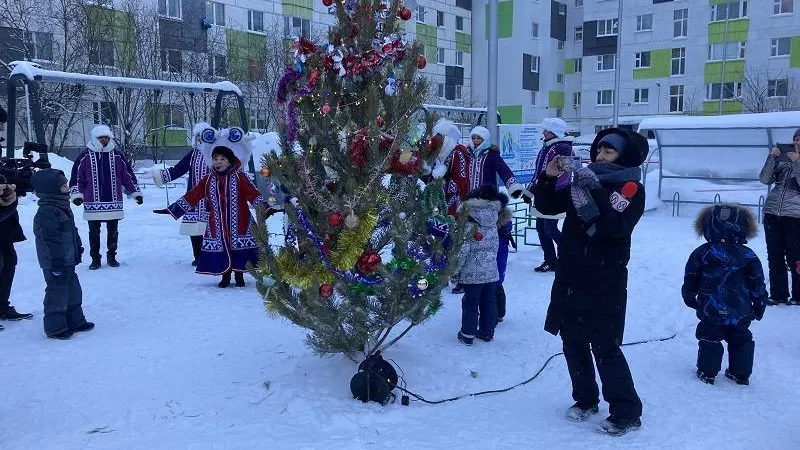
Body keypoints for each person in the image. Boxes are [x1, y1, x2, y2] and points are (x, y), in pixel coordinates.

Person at [533, 127, 648, 436]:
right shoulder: (580, 183)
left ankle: (626, 410)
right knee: (572, 341)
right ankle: (585, 400)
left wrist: (595, 188)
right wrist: (548, 177)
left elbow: (613, 228)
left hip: (603, 278)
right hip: (572, 274)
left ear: (623, 155)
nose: (600, 155)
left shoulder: (630, 187)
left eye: (608, 151)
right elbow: (545, 207)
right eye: (599, 150)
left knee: (605, 346)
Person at [155, 128, 272, 288]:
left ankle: (239, 275)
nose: (218, 161)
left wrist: (265, 208)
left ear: (230, 161)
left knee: (239, 248)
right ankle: (225, 276)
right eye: (215, 158)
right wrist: (173, 209)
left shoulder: (240, 177)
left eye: (222, 159)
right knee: (222, 248)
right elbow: (192, 196)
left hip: (240, 222)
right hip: (217, 224)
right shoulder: (208, 180)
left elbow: (253, 194)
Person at [682, 204, 767, 386]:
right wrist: (759, 302)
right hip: (741, 308)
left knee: (710, 336)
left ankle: (708, 371)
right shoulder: (748, 255)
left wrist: (689, 294)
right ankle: (741, 373)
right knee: (741, 338)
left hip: (711, 306)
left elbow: (691, 275)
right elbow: (757, 282)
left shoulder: (703, 253)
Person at [31, 169, 93, 340]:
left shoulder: (62, 206)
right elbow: (49, 239)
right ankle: (55, 327)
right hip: (55, 260)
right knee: (56, 292)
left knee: (73, 289)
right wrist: (56, 260)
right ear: (51, 189)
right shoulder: (47, 211)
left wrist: (77, 246)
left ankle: (76, 320)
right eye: (63, 185)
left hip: (67, 258)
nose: (67, 187)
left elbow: (72, 231)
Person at [69, 124, 143, 269]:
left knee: (113, 230)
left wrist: (135, 192)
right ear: (95, 138)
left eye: (106, 137)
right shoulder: (84, 156)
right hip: (92, 201)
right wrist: (77, 194)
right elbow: (77, 177)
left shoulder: (117, 155)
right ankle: (95, 258)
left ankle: (112, 256)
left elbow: (127, 175)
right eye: (101, 137)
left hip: (113, 201)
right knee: (94, 232)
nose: (104, 140)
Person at [452, 184, 507, 345]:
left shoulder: (468, 223)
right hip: (490, 272)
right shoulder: (493, 220)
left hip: (472, 272)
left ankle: (467, 334)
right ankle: (487, 331)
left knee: (470, 302)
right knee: (488, 301)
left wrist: (455, 271)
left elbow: (462, 250)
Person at [152, 123, 212, 266]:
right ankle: (198, 256)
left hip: (212, 198)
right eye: (198, 136)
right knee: (194, 228)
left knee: (212, 228)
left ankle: (212, 255)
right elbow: (178, 169)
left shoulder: (215, 153)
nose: (200, 139)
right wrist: (159, 176)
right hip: (193, 196)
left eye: (203, 135)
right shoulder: (192, 154)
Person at [524, 117, 573, 273]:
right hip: (543, 193)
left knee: (550, 228)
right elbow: (538, 173)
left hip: (555, 195)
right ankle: (550, 260)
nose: (543, 133)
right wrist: (531, 191)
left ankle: (569, 254)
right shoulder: (546, 147)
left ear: (555, 132)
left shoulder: (564, 148)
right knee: (541, 228)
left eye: (546, 131)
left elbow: (566, 173)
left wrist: (550, 188)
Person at [759, 131, 800, 306]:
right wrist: (772, 159)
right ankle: (778, 294)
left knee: (796, 258)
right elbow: (764, 179)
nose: (798, 143)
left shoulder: (795, 160)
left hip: (796, 216)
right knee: (774, 256)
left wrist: (797, 162)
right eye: (796, 140)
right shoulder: (783, 160)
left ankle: (798, 296)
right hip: (773, 213)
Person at [430, 118, 472, 217]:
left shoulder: (457, 154)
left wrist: (443, 183)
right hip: (437, 197)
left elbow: (460, 180)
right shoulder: (438, 154)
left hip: (452, 200)